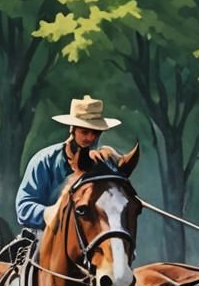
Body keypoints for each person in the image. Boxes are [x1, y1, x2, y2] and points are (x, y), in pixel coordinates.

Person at [14, 95, 121, 230]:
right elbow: (24, 207)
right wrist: (51, 213)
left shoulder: (102, 166)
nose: (90, 138)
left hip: (91, 237)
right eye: (84, 132)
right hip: (47, 234)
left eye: (95, 133)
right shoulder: (44, 160)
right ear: (73, 129)